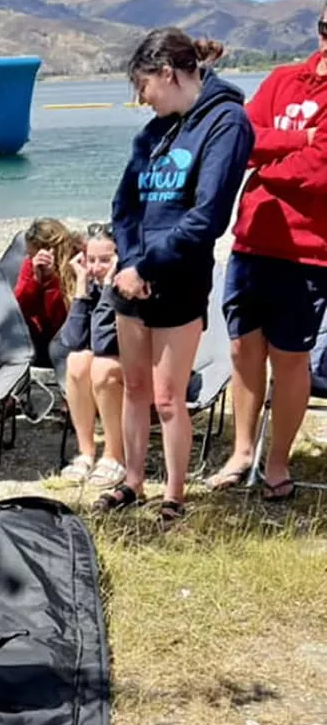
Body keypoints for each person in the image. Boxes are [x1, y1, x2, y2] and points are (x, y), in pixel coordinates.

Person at [96, 29, 255, 522]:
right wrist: (128, 264)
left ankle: (175, 496)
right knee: (135, 388)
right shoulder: (153, 130)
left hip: (179, 279)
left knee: (168, 399)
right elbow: (125, 203)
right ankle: (133, 481)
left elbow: (208, 216)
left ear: (169, 73)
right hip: (132, 280)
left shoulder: (226, 123)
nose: (141, 99)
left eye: (144, 86)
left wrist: (149, 265)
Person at [206, 3, 327, 501]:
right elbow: (243, 136)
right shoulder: (283, 79)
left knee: (291, 358)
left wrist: (269, 169)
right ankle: (240, 452)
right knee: (241, 350)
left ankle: (276, 462)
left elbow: (320, 173)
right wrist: (299, 138)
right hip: (253, 239)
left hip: (310, 250)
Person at [52, 223, 125, 488]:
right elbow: (72, 340)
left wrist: (108, 289)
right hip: (109, 366)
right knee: (76, 361)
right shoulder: (93, 285)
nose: (95, 267)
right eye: (91, 259)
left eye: (105, 260)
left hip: (144, 371)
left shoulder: (129, 289)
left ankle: (114, 455)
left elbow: (104, 342)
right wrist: (82, 285)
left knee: (101, 366)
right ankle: (86, 452)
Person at [13, 218, 80, 367]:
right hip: (41, 338)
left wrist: (52, 281)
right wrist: (37, 280)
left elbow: (68, 313)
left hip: (69, 336)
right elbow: (19, 309)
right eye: (31, 254)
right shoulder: (31, 264)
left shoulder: (77, 262)